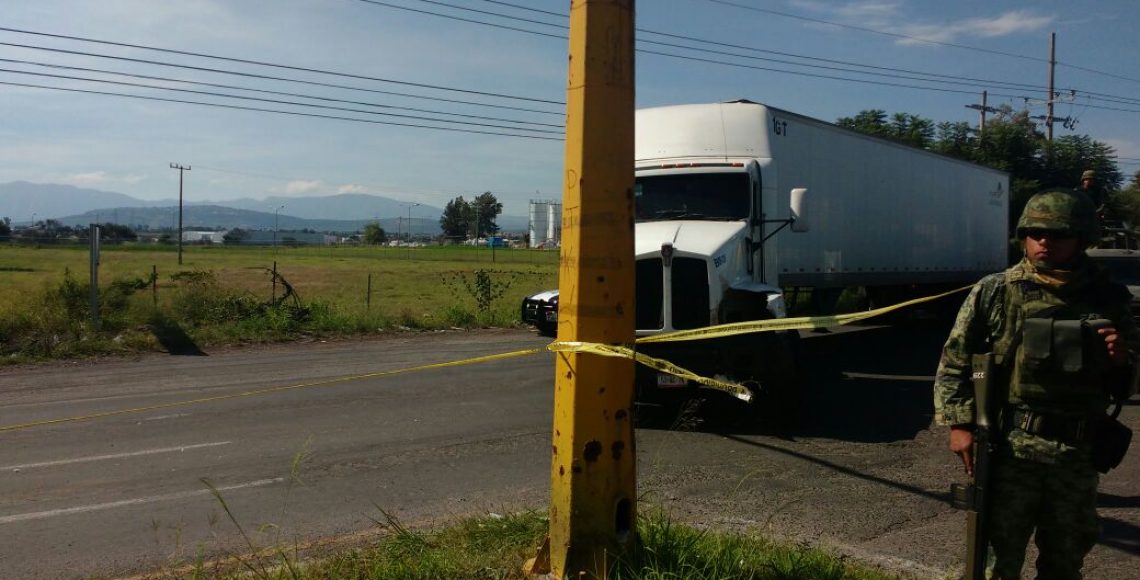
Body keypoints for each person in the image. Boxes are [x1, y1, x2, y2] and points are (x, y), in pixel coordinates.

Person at [933, 189, 1139, 579]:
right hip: (1010, 450)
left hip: (1076, 454)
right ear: (1022, 236)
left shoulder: (1108, 297)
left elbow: (1127, 384)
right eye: (1035, 232)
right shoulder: (996, 290)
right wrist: (959, 425)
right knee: (995, 562)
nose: (1045, 241)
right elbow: (955, 361)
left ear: (1082, 239)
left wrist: (1121, 360)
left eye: (1058, 234)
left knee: (1065, 562)